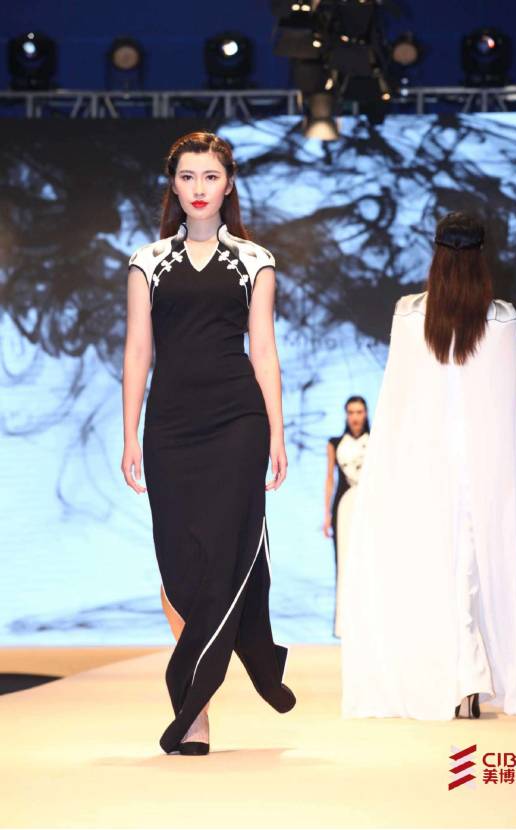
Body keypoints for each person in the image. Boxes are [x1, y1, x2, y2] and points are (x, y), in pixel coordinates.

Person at [121, 131, 295, 755]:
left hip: (236, 422)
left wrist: (276, 431)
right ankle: (228, 670)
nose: (199, 188)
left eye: (210, 176)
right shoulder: (147, 261)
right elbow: (137, 352)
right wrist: (128, 434)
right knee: (178, 565)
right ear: (173, 184)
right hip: (170, 426)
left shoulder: (254, 260)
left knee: (227, 553)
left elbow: (264, 351)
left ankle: (192, 709)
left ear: (228, 184)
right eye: (188, 176)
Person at [341, 211, 516, 721]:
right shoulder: (500, 321)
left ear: (436, 254)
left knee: (438, 574)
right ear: (481, 256)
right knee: (468, 573)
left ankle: (460, 679)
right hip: (480, 476)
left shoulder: (411, 316)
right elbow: (508, 413)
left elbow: (397, 402)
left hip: (424, 472)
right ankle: (466, 681)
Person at [324, 397, 370, 638]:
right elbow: (330, 479)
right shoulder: (335, 443)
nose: (355, 417)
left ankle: (370, 620)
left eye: (359, 412)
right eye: (351, 412)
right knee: (344, 563)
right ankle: (345, 623)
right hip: (344, 507)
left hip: (371, 506)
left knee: (370, 561)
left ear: (366, 413)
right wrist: (326, 514)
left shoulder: (376, 440)